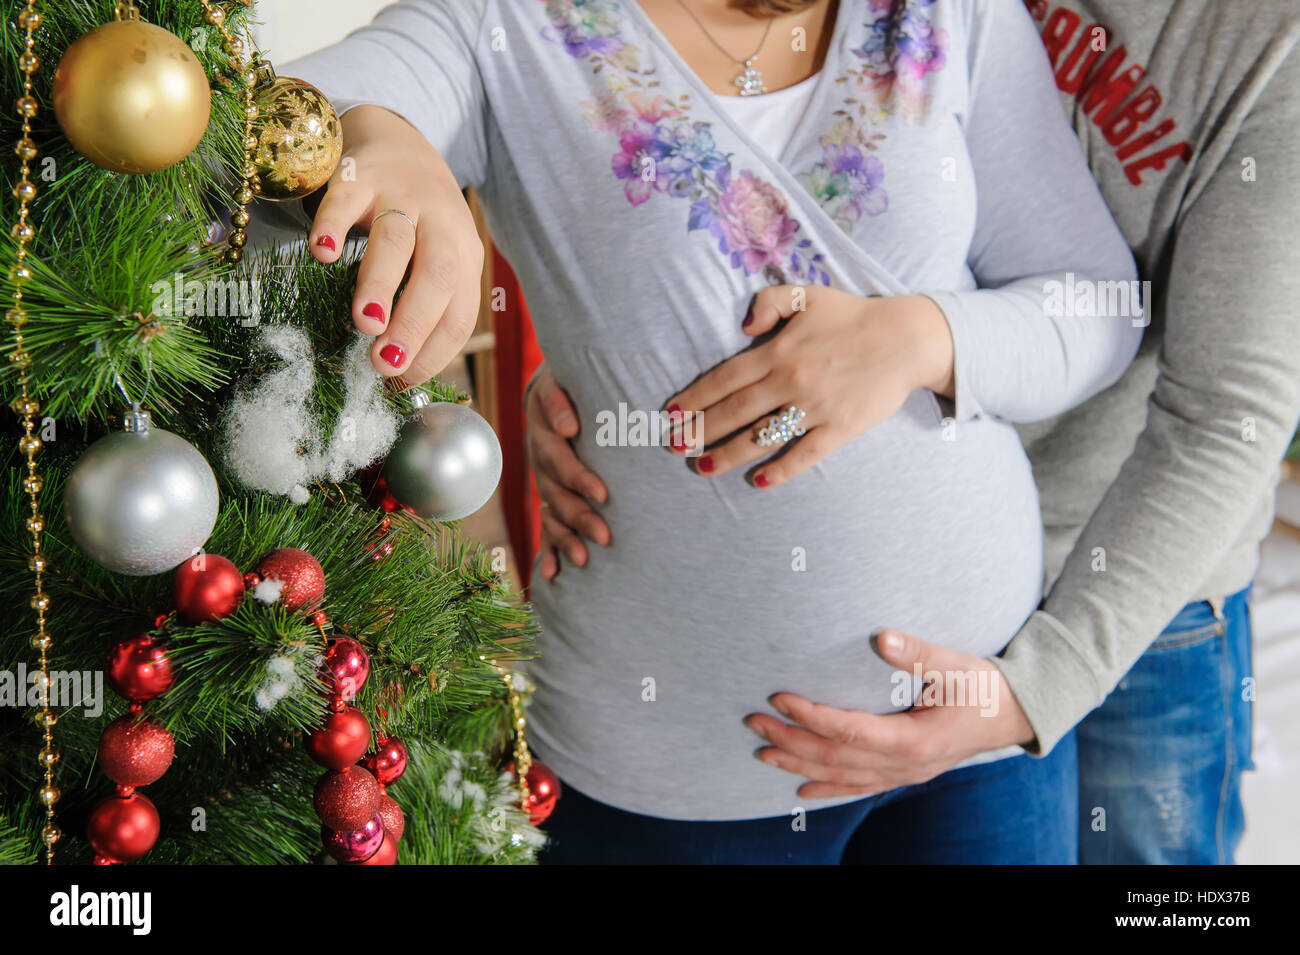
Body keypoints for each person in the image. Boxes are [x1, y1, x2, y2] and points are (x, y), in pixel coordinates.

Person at [284, 0, 1141, 863]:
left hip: (978, 727)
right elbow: (267, 125)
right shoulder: (505, 22)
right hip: (663, 772)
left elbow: (1095, 305)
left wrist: (923, 339)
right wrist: (380, 138)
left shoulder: (955, 13)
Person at [529, 0, 1300, 864]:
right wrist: (599, 378)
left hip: (1129, 595)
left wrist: (1038, 689)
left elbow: (1229, 414)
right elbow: (781, 208)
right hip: (905, 581)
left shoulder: (1272, 43)